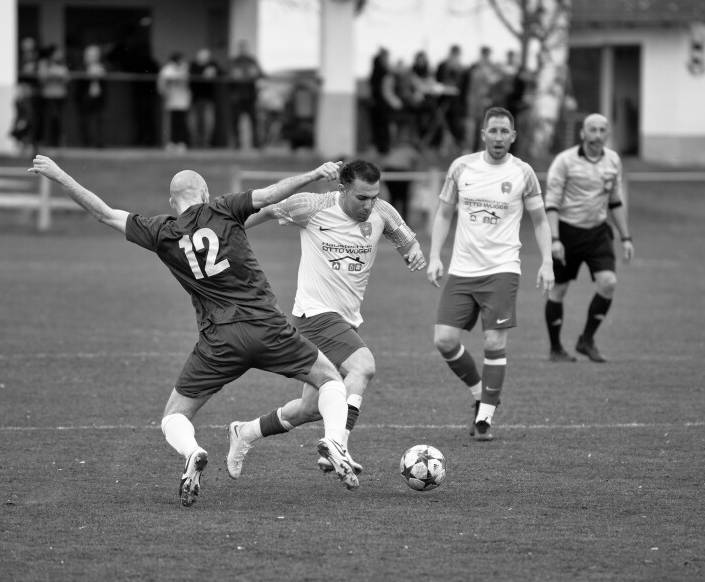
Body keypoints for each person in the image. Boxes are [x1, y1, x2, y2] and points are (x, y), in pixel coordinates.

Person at [27, 155, 362, 506]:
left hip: (219, 341)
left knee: (174, 415)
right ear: (204, 192)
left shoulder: (162, 231)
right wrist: (313, 174)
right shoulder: (222, 208)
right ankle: (335, 440)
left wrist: (59, 175)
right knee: (329, 381)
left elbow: (104, 213)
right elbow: (268, 196)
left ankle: (193, 451)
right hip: (266, 327)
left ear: (173, 202)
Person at [225, 160, 427, 478]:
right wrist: (225, 231)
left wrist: (413, 253)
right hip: (315, 314)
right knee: (363, 367)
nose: (369, 204)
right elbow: (262, 210)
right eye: (362, 197)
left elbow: (407, 242)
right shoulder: (312, 206)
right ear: (342, 189)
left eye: (374, 196)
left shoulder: (383, 212)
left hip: (346, 319)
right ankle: (338, 445)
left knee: (309, 409)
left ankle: (245, 432)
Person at [427, 106, 554, 440]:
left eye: (504, 131)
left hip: (502, 269)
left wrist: (547, 261)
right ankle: (480, 394)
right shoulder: (461, 167)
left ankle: (484, 419)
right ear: (483, 134)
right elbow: (443, 214)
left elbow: (540, 221)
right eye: (493, 130)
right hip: (462, 269)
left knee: (494, 342)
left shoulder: (523, 173)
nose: (498, 137)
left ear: (513, 136)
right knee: (444, 340)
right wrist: (435, 256)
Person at [543, 113, 635, 363]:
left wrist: (626, 237)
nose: (597, 135)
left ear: (608, 133)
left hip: (597, 233)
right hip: (566, 231)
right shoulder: (564, 161)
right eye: (591, 130)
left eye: (602, 130)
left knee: (609, 283)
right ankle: (556, 349)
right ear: (583, 133)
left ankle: (587, 340)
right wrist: (554, 239)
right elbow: (550, 202)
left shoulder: (613, 160)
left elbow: (615, 200)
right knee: (559, 290)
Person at [228, 40, 264, 150]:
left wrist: (256, 73)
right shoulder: (234, 61)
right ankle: (236, 144)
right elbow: (227, 75)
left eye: (245, 48)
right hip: (237, 96)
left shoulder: (252, 61)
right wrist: (233, 75)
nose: (243, 50)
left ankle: (256, 144)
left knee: (254, 121)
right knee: (235, 122)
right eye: (241, 48)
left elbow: (262, 74)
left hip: (250, 96)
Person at [188, 48, 223, 148]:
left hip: (208, 98)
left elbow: (221, 72)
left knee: (208, 122)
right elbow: (191, 77)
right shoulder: (193, 65)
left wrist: (214, 71)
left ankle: (206, 143)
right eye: (202, 57)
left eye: (206, 57)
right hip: (195, 98)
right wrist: (203, 73)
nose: (204, 59)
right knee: (193, 123)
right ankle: (195, 143)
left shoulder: (213, 65)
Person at [157, 52, 191, 152]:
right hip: (171, 100)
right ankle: (171, 142)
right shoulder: (168, 69)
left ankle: (181, 143)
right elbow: (163, 81)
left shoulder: (184, 68)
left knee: (182, 122)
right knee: (172, 123)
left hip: (182, 100)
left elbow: (184, 78)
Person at [37, 45, 69, 147]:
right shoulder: (44, 63)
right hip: (48, 95)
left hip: (60, 95)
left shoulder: (63, 64)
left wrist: (53, 73)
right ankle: (48, 142)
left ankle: (58, 142)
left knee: (58, 119)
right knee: (49, 119)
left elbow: (66, 78)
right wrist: (56, 73)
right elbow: (42, 77)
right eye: (57, 53)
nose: (60, 55)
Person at [76, 45, 107, 148]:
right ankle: (86, 143)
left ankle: (99, 143)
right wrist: (88, 73)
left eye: (95, 55)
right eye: (90, 55)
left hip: (99, 98)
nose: (93, 57)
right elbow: (79, 80)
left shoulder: (103, 67)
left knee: (100, 121)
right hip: (85, 98)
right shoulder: (81, 67)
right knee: (85, 121)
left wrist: (101, 73)